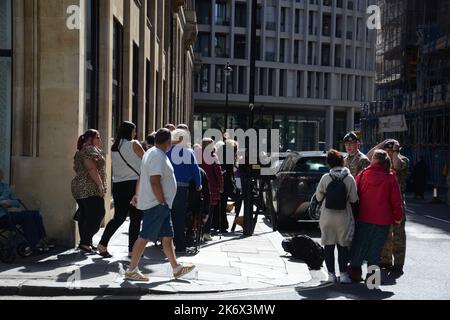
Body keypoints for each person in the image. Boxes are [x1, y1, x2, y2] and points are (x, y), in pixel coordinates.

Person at [125, 128, 195, 281]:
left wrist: (138, 194)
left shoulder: (152, 151)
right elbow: (154, 181)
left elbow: (142, 177)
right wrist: (162, 201)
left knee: (168, 237)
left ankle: (176, 268)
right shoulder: (157, 155)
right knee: (144, 236)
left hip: (160, 204)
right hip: (157, 204)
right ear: (168, 143)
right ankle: (131, 270)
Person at [348, 149, 403, 282]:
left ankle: (354, 272)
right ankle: (372, 279)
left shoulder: (362, 175)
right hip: (383, 220)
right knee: (376, 247)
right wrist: (398, 217)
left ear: (374, 160)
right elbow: (396, 201)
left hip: (363, 216)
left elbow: (354, 194)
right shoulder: (390, 178)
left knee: (360, 244)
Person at [97, 122, 145, 258]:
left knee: (118, 217)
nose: (135, 134)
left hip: (118, 185)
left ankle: (102, 244)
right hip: (134, 185)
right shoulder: (134, 144)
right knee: (136, 219)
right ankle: (132, 250)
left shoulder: (114, 147)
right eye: (134, 131)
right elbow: (147, 159)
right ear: (129, 132)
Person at [314, 150, 358, 284]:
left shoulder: (326, 177)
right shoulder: (349, 178)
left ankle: (331, 275)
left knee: (328, 246)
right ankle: (344, 275)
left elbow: (318, 196)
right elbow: (353, 199)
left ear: (329, 163)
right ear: (342, 162)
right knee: (343, 246)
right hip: (343, 216)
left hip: (327, 216)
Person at [368, 139, 409, 273]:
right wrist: (381, 144)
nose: (389, 153)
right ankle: (385, 260)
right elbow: (368, 156)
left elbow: (397, 165)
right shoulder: (383, 162)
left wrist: (396, 152)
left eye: (392, 150)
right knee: (385, 232)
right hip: (385, 200)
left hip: (398, 200)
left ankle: (398, 263)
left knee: (398, 232)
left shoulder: (403, 159)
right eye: (388, 150)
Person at [71, 129, 107, 254]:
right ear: (89, 139)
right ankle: (85, 242)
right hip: (89, 188)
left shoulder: (83, 149)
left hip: (80, 188)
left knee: (86, 215)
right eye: (97, 137)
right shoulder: (89, 149)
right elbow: (91, 168)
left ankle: (86, 243)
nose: (100, 140)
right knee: (98, 214)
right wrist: (100, 185)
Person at [167, 129, 202, 253]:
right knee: (179, 217)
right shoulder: (188, 152)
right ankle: (180, 245)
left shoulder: (167, 151)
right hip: (182, 188)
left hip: (167, 186)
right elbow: (195, 170)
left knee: (168, 215)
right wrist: (198, 185)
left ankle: (166, 243)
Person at [0, 170, 52, 252]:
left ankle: (42, 239)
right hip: (1, 217)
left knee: (35, 214)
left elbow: (17, 202)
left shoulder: (5, 187)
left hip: (8, 215)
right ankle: (35, 243)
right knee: (26, 216)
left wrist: (10, 202)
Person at [199, 138, 224, 241]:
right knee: (209, 210)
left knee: (199, 209)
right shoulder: (213, 157)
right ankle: (206, 233)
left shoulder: (197, 155)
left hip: (199, 186)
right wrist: (221, 186)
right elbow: (218, 173)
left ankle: (197, 231)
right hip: (211, 187)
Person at [216, 139, 239, 233]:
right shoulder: (229, 152)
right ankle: (224, 224)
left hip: (222, 178)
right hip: (226, 179)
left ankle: (220, 224)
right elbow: (230, 168)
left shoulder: (222, 151)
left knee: (221, 202)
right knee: (237, 198)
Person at [186, 167, 210, 247]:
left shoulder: (182, 169)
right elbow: (206, 193)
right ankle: (192, 232)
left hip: (186, 201)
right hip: (196, 203)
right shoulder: (201, 172)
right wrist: (206, 211)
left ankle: (190, 232)